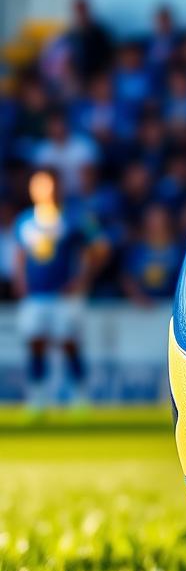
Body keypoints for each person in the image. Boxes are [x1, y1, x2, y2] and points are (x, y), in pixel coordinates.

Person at [11, 168, 108, 418]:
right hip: (36, 295)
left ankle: (79, 396)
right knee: (36, 343)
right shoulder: (24, 221)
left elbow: (99, 247)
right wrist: (20, 281)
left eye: (49, 184)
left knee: (69, 343)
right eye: (39, 185)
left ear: (59, 186)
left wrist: (83, 279)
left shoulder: (74, 217)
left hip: (65, 295)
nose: (45, 190)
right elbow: (19, 255)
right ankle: (37, 398)